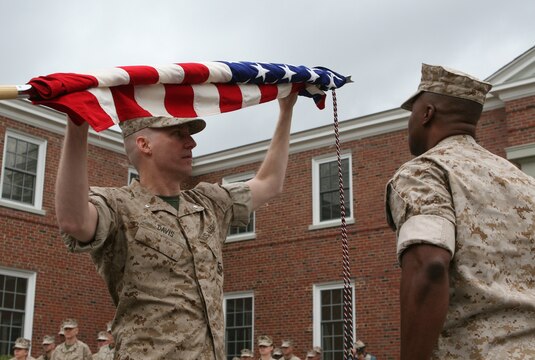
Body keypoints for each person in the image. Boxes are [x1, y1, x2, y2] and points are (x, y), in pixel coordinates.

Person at [55, 93, 298, 360]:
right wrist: (77, 125)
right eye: (178, 134)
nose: (191, 141)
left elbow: (270, 183)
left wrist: (286, 109)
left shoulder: (208, 203)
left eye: (189, 134)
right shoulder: (118, 206)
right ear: (144, 144)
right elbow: (74, 220)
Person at [386, 63, 535, 359]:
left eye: (412, 111)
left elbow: (429, 265)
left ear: (427, 113)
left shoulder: (425, 172)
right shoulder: (524, 182)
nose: (410, 122)